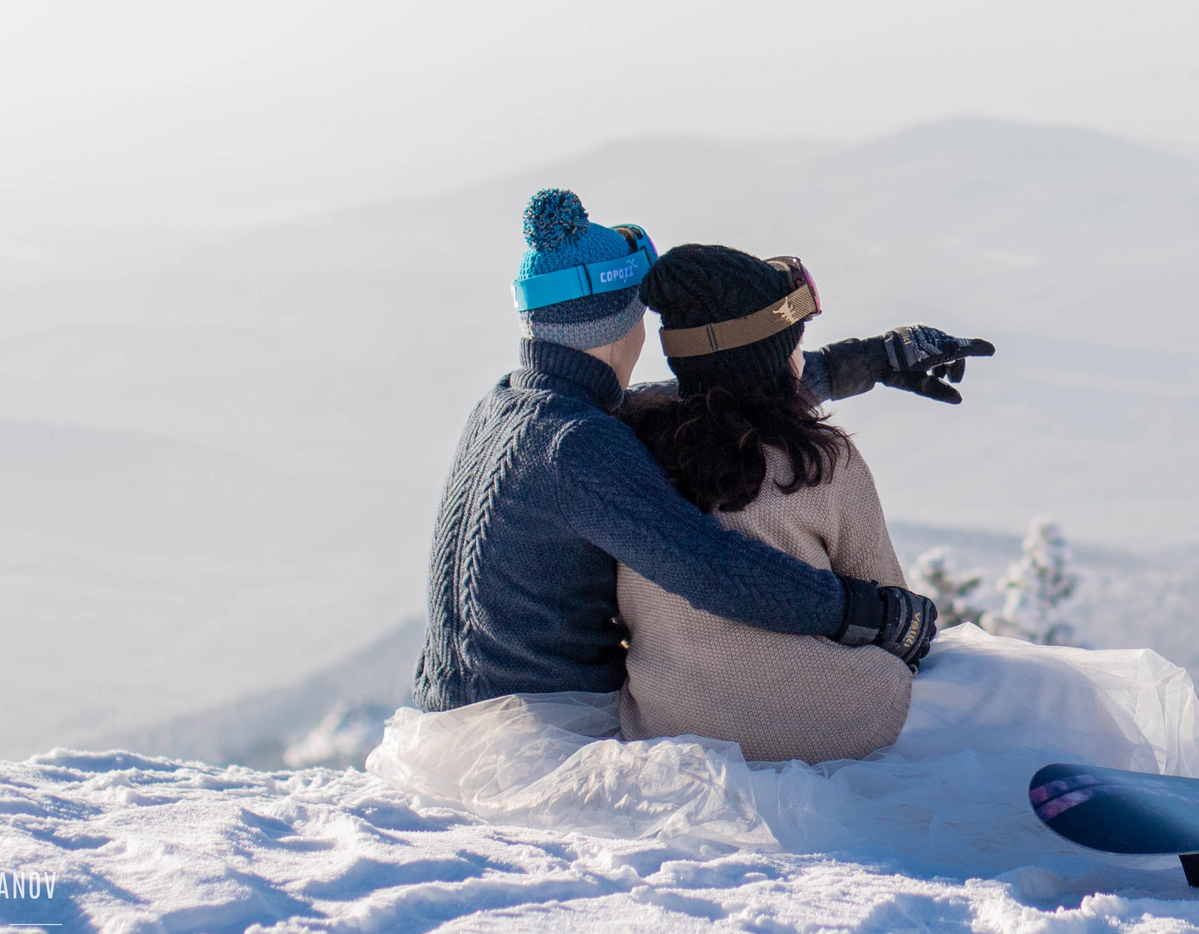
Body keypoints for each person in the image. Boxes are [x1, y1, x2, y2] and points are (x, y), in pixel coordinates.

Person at [412, 189, 996, 715]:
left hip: (454, 710)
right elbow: (714, 569)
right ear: (626, 324)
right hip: (536, 733)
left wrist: (871, 361)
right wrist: (867, 612)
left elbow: (701, 398)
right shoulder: (579, 448)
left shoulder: (513, 405)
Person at [615, 243, 920, 761]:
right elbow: (890, 608)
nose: (804, 358)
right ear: (773, 360)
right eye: (795, 345)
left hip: (668, 733)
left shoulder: (626, 456)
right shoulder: (824, 461)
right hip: (831, 728)